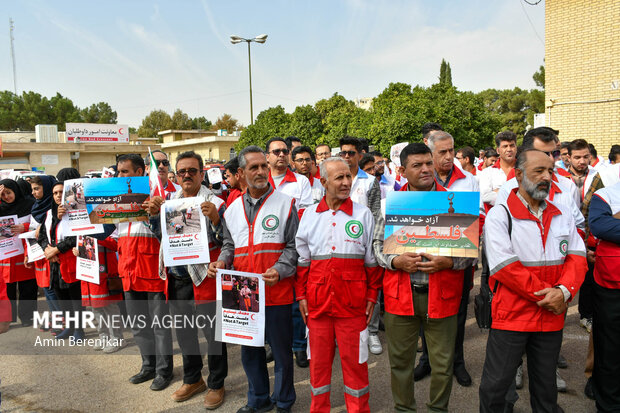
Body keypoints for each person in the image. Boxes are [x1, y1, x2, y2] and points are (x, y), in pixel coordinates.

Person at [479, 148, 587, 413]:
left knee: (546, 389)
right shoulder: (500, 215)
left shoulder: (562, 213)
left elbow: (577, 256)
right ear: (518, 175)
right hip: (513, 316)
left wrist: (564, 291)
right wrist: (551, 295)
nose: (546, 177)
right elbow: (505, 267)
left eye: (550, 171)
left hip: (550, 317)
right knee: (495, 389)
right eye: (538, 171)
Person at [372, 143, 474, 412]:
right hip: (399, 298)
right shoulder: (390, 205)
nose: (426, 169)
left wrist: (449, 261)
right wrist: (395, 261)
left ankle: (437, 409)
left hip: (442, 296)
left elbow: (472, 254)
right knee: (400, 363)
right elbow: (376, 246)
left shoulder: (455, 201)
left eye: (429, 163)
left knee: (443, 365)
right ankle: (404, 409)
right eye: (417, 165)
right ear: (403, 171)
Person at [208, 145, 298, 413]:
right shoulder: (232, 209)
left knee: (282, 354)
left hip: (277, 291)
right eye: (253, 167)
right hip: (242, 293)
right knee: (250, 353)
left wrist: (280, 270)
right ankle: (258, 400)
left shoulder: (286, 203)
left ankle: (283, 402)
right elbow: (229, 244)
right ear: (241, 173)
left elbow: (295, 247)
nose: (261, 171)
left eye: (263, 166)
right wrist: (222, 261)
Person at [295, 157, 382, 412]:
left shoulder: (363, 214)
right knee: (318, 367)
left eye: (348, 176)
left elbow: (372, 264)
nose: (346, 182)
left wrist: (372, 297)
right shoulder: (309, 215)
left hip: (353, 306)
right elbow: (302, 262)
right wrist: (301, 295)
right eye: (339, 178)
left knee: (356, 365)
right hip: (317, 305)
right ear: (323, 182)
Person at [148, 151, 228, 408]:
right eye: (181, 171)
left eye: (192, 171)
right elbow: (162, 236)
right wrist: (153, 215)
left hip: (205, 276)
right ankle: (193, 379)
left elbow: (226, 240)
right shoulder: (169, 201)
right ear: (176, 174)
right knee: (184, 333)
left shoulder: (216, 201)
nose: (186, 175)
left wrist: (215, 218)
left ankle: (216, 383)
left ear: (202, 174)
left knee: (214, 335)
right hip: (177, 276)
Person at [96, 154, 174, 391]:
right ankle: (147, 366)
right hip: (128, 272)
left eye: (125, 172)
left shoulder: (159, 198)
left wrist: (155, 213)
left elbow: (168, 233)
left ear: (140, 172)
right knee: (139, 324)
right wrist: (87, 228)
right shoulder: (118, 202)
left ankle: (164, 371)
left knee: (159, 325)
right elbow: (112, 235)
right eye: (118, 172)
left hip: (152, 271)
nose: (119, 176)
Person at [414, 132, 479, 387]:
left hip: (457, 261)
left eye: (451, 150)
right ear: (429, 155)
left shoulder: (469, 181)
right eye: (442, 152)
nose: (450, 156)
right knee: (424, 312)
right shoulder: (417, 180)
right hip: (425, 260)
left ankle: (457, 362)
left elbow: (478, 218)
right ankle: (427, 360)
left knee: (458, 315)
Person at [266, 137, 312, 368]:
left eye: (285, 151)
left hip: (294, 246)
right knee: (269, 302)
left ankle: (298, 346)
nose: (281, 155)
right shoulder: (260, 180)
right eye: (276, 151)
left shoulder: (301, 181)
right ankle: (274, 346)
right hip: (266, 247)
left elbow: (303, 212)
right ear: (268, 157)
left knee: (296, 302)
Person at [37, 181, 84, 340]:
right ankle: (69, 328)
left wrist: (55, 250)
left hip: (70, 260)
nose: (58, 195)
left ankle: (79, 330)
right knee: (61, 297)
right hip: (55, 263)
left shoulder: (76, 211)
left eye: (61, 192)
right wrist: (47, 250)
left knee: (75, 299)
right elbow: (42, 236)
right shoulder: (50, 214)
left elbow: (75, 237)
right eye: (55, 193)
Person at [589, 181, 620, 412]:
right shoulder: (606, 194)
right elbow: (601, 226)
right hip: (611, 285)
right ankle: (609, 404)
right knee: (610, 349)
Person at [0, 179, 37, 326]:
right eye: (3, 195)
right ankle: (8, 318)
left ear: (16, 190)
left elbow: (37, 225)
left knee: (27, 287)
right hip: (5, 256)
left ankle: (28, 317)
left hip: (24, 252)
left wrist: (25, 226)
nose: (7, 197)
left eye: (9, 192)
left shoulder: (29, 205)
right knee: (7, 288)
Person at [479, 131, 518, 211]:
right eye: (505, 146)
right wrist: (516, 192)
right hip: (496, 218)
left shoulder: (525, 170)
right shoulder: (487, 172)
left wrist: (498, 191)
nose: (509, 149)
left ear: (516, 148)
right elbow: (486, 197)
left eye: (512, 146)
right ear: (498, 150)